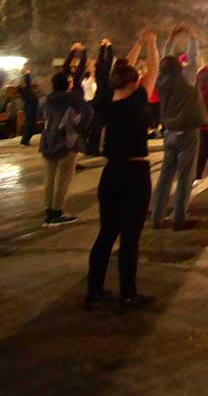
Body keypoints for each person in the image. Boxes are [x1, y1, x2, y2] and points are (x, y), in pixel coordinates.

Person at [86, 28, 160, 311]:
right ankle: (128, 293)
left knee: (107, 233)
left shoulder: (105, 102)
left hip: (110, 174)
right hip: (135, 174)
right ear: (133, 83)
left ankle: (94, 291)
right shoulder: (136, 101)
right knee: (130, 236)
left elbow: (123, 70)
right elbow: (152, 70)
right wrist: (151, 44)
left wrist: (137, 44)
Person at [151, 37, 208, 231]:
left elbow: (166, 59)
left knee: (165, 175)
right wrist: (192, 37)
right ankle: (179, 217)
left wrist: (171, 39)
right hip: (187, 132)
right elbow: (193, 59)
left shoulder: (161, 79)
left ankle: (157, 216)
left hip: (169, 132)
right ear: (179, 66)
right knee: (185, 176)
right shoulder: (187, 77)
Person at [39, 44, 93, 226]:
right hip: (66, 141)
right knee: (63, 179)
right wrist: (79, 129)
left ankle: (48, 210)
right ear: (69, 83)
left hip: (48, 140)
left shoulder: (47, 100)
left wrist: (72, 51)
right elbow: (88, 113)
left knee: (49, 178)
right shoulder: (73, 98)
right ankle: (57, 212)